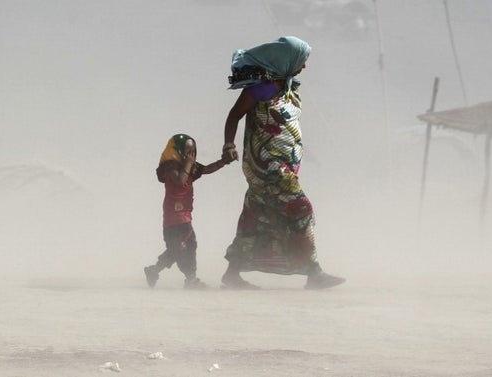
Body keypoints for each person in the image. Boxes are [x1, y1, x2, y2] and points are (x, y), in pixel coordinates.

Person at [220, 36, 345, 290]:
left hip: (280, 164)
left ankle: (232, 274)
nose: (304, 67)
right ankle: (314, 272)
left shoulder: (287, 86)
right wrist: (229, 145)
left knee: (255, 217)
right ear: (286, 61)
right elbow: (234, 115)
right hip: (268, 167)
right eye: (301, 61)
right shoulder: (262, 87)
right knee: (302, 209)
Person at [144, 134, 232, 289]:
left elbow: (205, 169)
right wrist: (189, 164)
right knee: (189, 245)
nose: (190, 155)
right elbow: (179, 182)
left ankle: (153, 270)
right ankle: (191, 280)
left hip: (184, 215)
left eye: (192, 151)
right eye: (187, 151)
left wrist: (223, 162)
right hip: (174, 216)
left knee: (176, 249)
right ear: (177, 150)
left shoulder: (188, 166)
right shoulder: (170, 166)